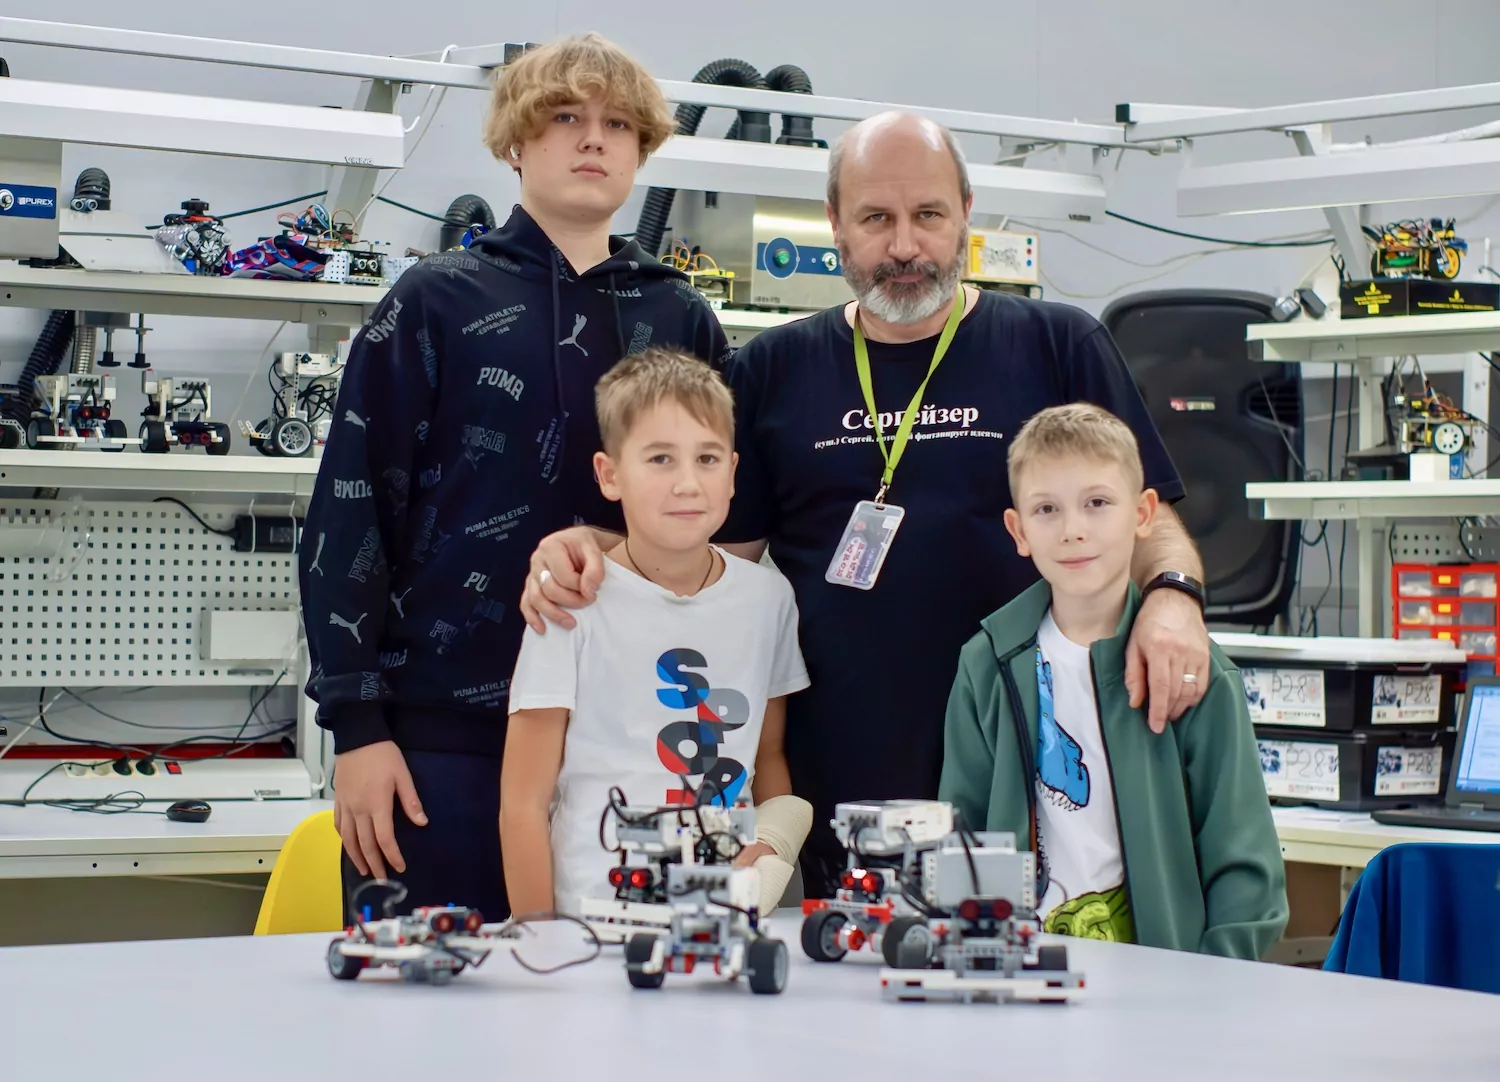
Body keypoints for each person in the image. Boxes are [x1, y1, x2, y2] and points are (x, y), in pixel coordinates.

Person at [521, 110, 1211, 897]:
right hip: (841, 785)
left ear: (967, 213)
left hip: (1031, 769)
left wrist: (1174, 599)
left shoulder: (1058, 345)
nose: (906, 246)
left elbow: (1154, 525)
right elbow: (701, 566)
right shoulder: (773, 370)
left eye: (929, 215)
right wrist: (585, 550)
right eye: (877, 219)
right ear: (836, 224)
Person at [299, 33, 730, 919]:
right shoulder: (434, 300)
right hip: (441, 748)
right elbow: (351, 513)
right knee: (425, 998)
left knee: (620, 1000)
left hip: (629, 745)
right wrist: (359, 729)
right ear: (515, 143)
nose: (593, 138)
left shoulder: (682, 317)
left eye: (618, 124)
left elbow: (713, 529)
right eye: (565, 116)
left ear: (642, 150)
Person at [939, 403, 1286, 957]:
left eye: (1097, 503)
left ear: (1143, 514)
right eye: (1046, 509)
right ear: (1018, 530)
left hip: (1166, 983)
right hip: (1018, 974)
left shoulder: (1195, 671)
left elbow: (1244, 867)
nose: (1073, 531)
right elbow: (960, 835)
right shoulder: (986, 665)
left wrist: (1217, 982)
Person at [500, 349, 812, 918]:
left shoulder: (769, 599)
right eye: (661, 458)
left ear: (733, 474)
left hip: (725, 919)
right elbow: (523, 803)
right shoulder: (571, 605)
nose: (688, 484)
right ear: (610, 475)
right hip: (594, 923)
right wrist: (539, 939)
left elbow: (767, 756)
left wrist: (771, 856)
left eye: (707, 458)